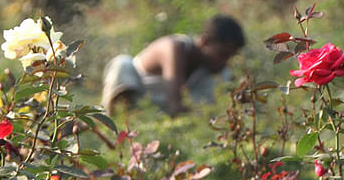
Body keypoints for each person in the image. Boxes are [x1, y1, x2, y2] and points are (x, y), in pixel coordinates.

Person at [101, 15, 245, 116]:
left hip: (158, 110)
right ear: (204, 41)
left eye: (230, 57)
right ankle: (113, 121)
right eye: (222, 54)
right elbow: (175, 106)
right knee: (122, 63)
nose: (224, 61)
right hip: (139, 99)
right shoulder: (174, 48)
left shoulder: (212, 70)